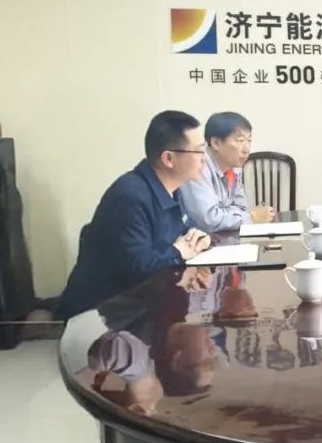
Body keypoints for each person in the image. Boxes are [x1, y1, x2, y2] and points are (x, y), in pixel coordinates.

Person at [56, 110, 212, 319]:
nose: (205, 159)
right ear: (169, 158)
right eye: (199, 151)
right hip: (104, 315)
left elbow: (186, 232)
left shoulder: (173, 189)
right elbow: (139, 269)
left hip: (145, 303)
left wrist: (200, 240)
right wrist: (178, 252)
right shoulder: (130, 197)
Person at [180, 111, 276, 232]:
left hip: (220, 236)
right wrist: (251, 217)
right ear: (216, 143)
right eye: (240, 140)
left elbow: (241, 207)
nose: (247, 149)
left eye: (249, 140)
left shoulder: (234, 165)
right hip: (193, 239)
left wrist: (237, 216)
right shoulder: (197, 166)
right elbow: (208, 220)